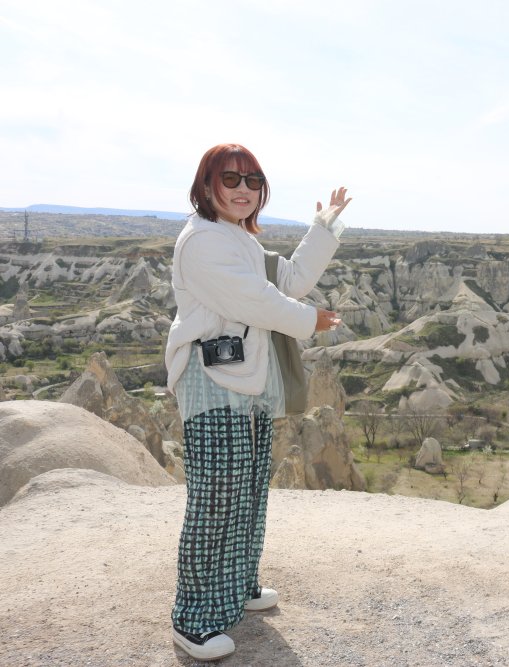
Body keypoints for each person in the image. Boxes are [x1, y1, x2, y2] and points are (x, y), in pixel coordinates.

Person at [163, 143, 349, 661]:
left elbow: (287, 280)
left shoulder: (239, 239)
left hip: (249, 379)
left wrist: (322, 229)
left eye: (252, 181)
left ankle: (237, 588)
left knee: (247, 492)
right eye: (231, 179)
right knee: (217, 498)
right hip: (211, 379)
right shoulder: (201, 241)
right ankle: (194, 618)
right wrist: (308, 320)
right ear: (206, 185)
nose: (243, 189)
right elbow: (259, 302)